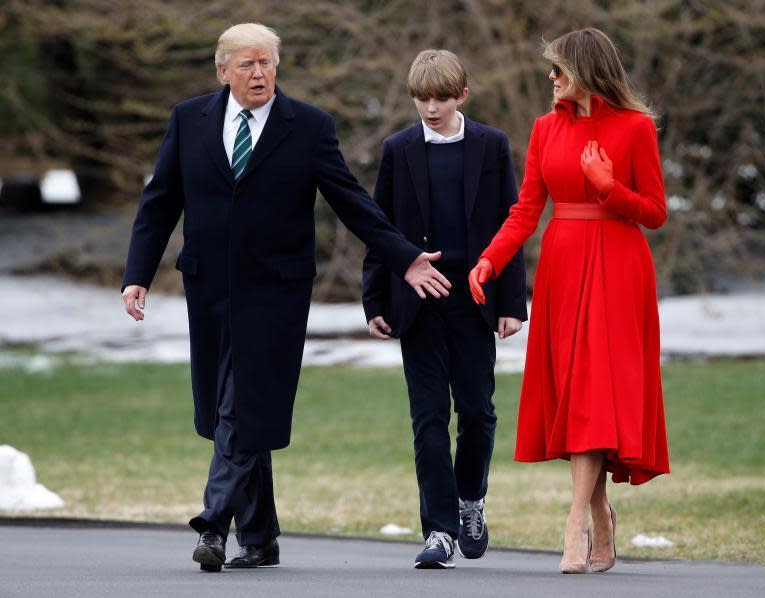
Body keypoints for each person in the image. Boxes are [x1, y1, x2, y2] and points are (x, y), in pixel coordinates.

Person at [121, 23, 452, 572]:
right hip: (208, 289)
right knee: (227, 406)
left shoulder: (308, 126)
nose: (259, 74)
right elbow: (161, 201)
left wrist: (403, 257)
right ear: (222, 70)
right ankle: (261, 537)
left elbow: (351, 201)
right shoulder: (188, 119)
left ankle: (213, 524)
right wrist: (138, 274)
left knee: (241, 402)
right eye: (247, 64)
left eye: (268, 63)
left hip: (276, 292)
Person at [468, 27, 670, 574]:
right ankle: (601, 517)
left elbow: (654, 211)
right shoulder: (543, 129)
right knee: (579, 392)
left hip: (620, 269)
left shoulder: (634, 128)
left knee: (599, 392)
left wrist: (609, 187)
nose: (550, 79)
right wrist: (490, 258)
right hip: (563, 265)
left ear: (584, 71)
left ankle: (575, 521)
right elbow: (526, 210)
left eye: (557, 69)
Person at [363, 49, 527, 569]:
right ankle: (438, 530)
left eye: (439, 98)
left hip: (475, 299)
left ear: (462, 95)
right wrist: (375, 300)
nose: (430, 108)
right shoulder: (399, 149)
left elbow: (512, 226)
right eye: (420, 99)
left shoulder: (491, 146)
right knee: (428, 418)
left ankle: (470, 500)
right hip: (418, 303)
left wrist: (511, 301)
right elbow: (379, 229)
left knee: (477, 411)